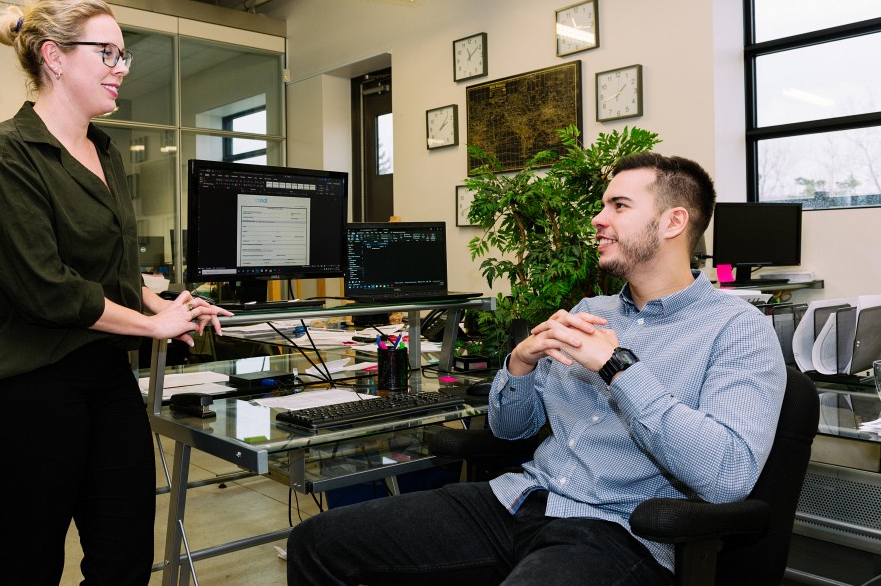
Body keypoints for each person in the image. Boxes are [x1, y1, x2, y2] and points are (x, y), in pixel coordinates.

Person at [286, 153, 787, 586]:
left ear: (674, 222)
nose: (598, 218)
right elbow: (511, 428)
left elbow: (727, 476)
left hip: (617, 530)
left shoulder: (737, 329)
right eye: (602, 204)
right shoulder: (592, 309)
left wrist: (618, 367)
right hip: (518, 498)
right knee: (318, 541)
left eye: (619, 206)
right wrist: (520, 364)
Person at [0, 0, 231, 586]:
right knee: (31, 561)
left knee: (124, 555)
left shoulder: (103, 150)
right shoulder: (2, 154)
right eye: (108, 53)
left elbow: (114, 273)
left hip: (101, 374)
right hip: (19, 385)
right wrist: (153, 327)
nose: (122, 68)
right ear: (54, 56)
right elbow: (47, 289)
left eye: (123, 55)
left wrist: (168, 304)